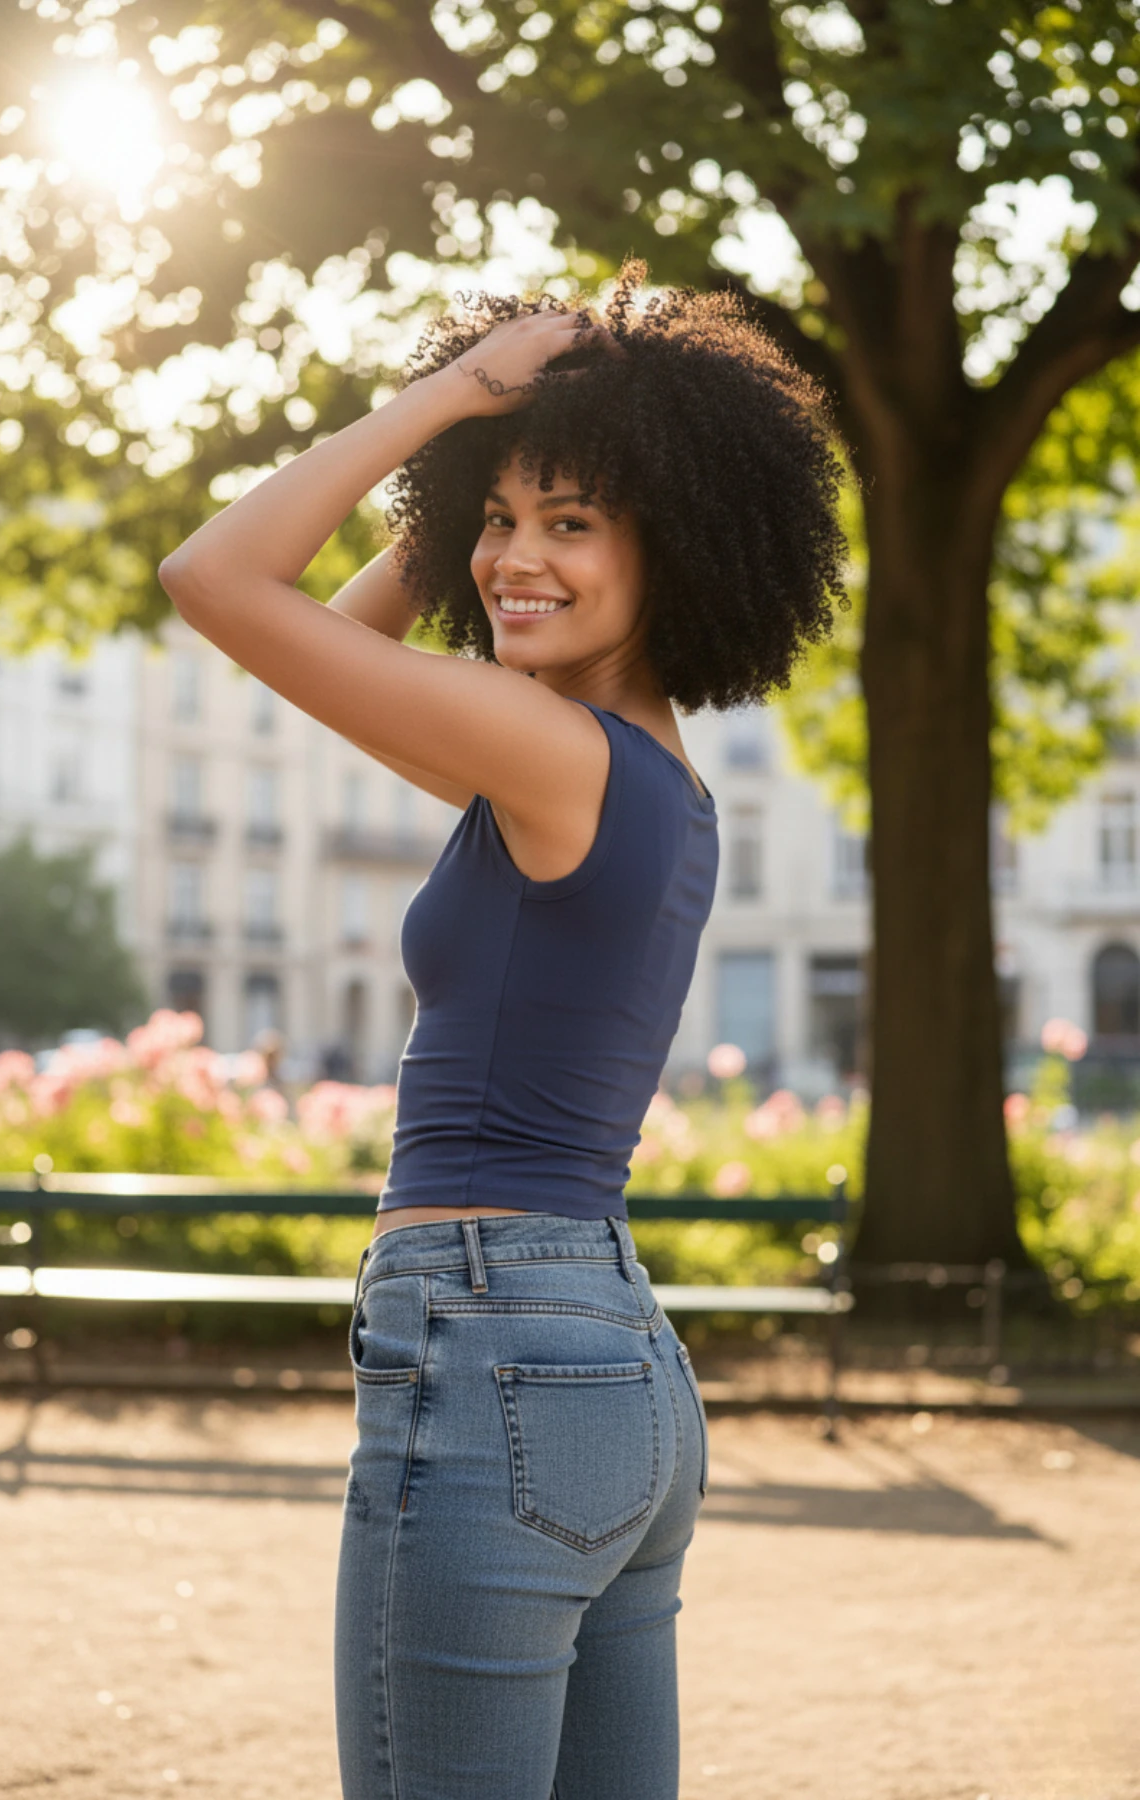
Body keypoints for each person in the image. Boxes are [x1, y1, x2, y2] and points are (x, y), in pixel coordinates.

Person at [159, 256, 847, 1799]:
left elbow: (218, 583)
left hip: (490, 1352)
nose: (512, 562)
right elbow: (342, 640)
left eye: (574, 525)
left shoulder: (547, 757)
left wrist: (459, 401)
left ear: (679, 548)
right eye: (499, 518)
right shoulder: (637, 776)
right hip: (615, 1369)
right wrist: (495, 475)